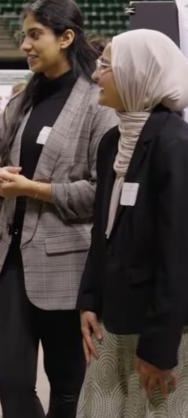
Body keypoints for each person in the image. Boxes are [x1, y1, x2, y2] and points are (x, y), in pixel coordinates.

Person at [0, 0, 118, 418]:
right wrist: (2, 181)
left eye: (34, 35)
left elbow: (101, 194)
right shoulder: (25, 98)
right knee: (10, 381)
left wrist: (33, 189)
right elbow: (8, 165)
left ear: (65, 37)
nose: (25, 45)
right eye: (25, 35)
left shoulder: (97, 105)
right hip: (8, 260)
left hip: (66, 267)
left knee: (67, 388)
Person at [78, 30, 188, 417]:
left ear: (138, 73)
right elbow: (101, 231)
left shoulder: (175, 146)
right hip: (114, 321)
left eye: (106, 65)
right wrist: (90, 299)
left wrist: (159, 349)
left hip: (161, 333)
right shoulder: (112, 141)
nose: (96, 75)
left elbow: (178, 255)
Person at [0, 81, 27, 156]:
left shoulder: (2, 118)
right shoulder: (38, 117)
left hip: (9, 164)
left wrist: (7, 151)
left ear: (13, 97)